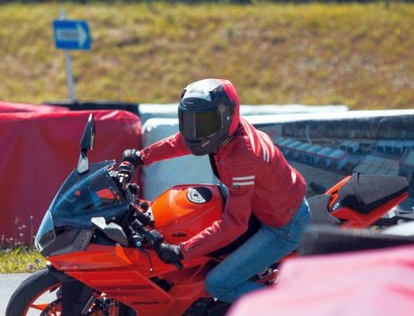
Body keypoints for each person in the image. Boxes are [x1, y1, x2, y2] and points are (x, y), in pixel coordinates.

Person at [119, 78, 309, 303]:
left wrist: (183, 251)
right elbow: (183, 142)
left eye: (206, 122)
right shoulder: (225, 135)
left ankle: (293, 306)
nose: (197, 131)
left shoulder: (243, 157)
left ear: (228, 115)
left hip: (282, 226)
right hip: (261, 205)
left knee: (218, 284)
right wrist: (140, 158)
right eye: (191, 122)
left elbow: (235, 224)